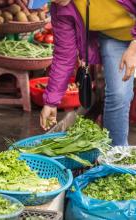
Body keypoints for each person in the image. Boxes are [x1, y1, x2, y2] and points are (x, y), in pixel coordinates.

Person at [39, 0, 136, 146]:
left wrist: (134, 48)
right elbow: (64, 56)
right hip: (115, 38)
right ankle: (116, 157)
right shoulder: (61, 9)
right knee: (118, 95)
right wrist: (51, 101)